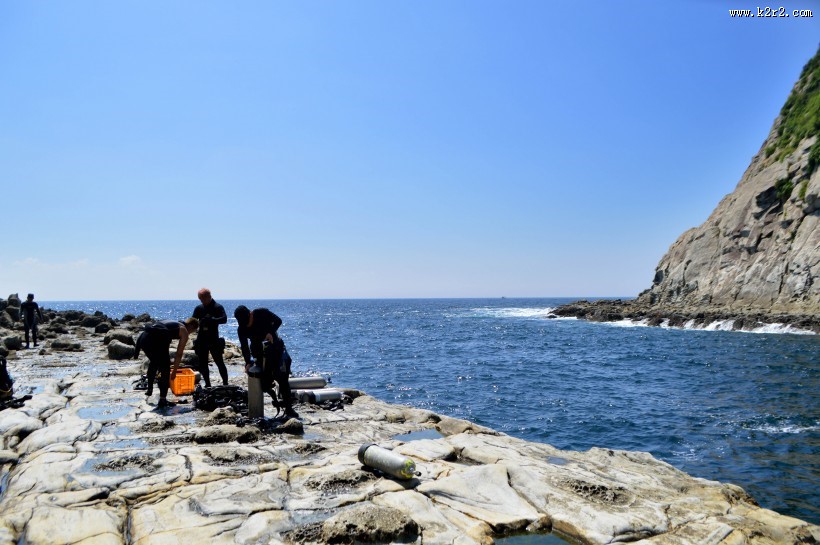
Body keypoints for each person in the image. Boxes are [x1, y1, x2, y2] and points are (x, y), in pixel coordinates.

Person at [234, 305, 297, 418]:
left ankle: (289, 408)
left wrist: (270, 332)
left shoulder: (261, 313)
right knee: (264, 383)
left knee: (282, 378)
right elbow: (244, 346)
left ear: (251, 314)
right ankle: (275, 399)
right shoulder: (242, 328)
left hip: (274, 348)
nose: (247, 325)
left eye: (248, 322)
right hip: (258, 352)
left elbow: (278, 321)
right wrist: (247, 362)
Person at [134, 317, 199, 408]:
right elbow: (179, 353)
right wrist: (175, 371)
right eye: (192, 331)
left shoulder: (175, 322)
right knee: (165, 368)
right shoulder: (184, 331)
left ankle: (150, 388)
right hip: (155, 339)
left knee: (155, 361)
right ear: (192, 326)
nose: (190, 333)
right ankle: (163, 400)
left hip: (143, 338)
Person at [191, 288, 228, 387]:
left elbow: (224, 319)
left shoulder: (217, 307)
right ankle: (207, 384)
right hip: (202, 339)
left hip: (213, 339)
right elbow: (193, 322)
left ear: (209, 296)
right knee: (203, 363)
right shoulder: (199, 308)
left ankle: (225, 383)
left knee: (219, 361)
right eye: (200, 299)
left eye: (203, 298)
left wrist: (212, 320)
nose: (201, 301)